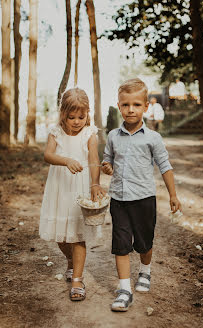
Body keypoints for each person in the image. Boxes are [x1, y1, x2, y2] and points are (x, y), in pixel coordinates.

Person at [102, 78, 181, 312]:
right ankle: (124, 289)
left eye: (136, 104)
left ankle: (145, 270)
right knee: (121, 244)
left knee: (144, 243)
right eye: (126, 105)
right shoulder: (113, 136)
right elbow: (107, 160)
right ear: (119, 105)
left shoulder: (153, 138)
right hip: (119, 199)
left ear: (146, 107)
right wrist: (106, 166)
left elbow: (165, 166)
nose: (131, 110)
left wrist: (173, 195)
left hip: (144, 199)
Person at [39, 88, 105, 301]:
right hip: (59, 187)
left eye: (81, 116)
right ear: (63, 114)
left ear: (88, 114)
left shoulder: (90, 134)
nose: (77, 121)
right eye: (71, 117)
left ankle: (77, 279)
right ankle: (70, 261)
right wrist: (65, 160)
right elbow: (48, 155)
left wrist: (95, 184)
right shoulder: (56, 132)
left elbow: (94, 160)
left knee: (77, 235)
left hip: (80, 188)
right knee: (61, 237)